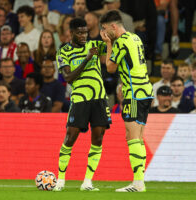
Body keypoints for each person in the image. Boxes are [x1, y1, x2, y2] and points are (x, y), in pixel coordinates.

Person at [54, 18, 111, 191]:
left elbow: (112, 49)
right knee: (70, 138)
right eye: (79, 32)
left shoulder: (94, 45)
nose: (83, 35)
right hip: (79, 98)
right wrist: (87, 59)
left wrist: (108, 41)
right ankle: (61, 179)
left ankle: (87, 181)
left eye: (85, 32)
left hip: (99, 98)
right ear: (70, 32)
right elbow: (68, 77)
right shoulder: (63, 52)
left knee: (98, 138)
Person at [100, 10, 154, 192]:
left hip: (134, 93)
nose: (105, 33)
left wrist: (108, 44)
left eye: (106, 29)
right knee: (137, 137)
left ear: (114, 27)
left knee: (132, 137)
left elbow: (110, 67)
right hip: (146, 90)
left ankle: (138, 183)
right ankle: (139, 181)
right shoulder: (135, 38)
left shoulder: (120, 42)